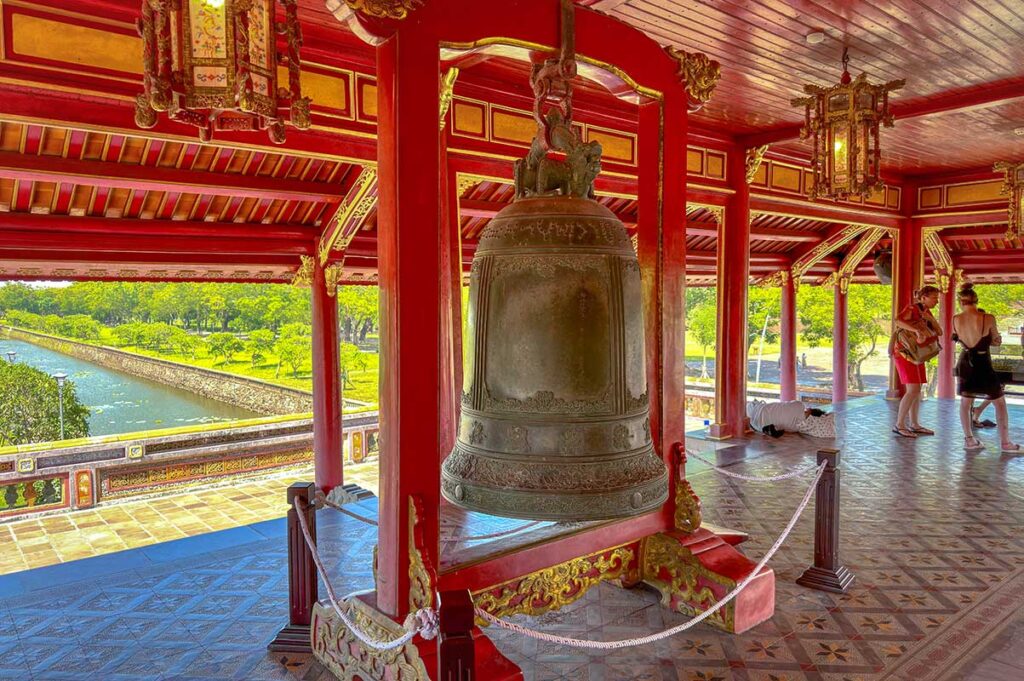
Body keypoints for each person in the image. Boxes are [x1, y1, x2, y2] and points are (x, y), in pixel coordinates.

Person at [952, 283, 1019, 452]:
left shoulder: (956, 319)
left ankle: (969, 440)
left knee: (965, 402)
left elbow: (957, 338)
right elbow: (996, 341)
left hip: (965, 361)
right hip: (982, 361)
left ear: (961, 302)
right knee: (1000, 402)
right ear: (976, 300)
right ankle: (1005, 443)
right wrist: (994, 340)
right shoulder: (987, 318)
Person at [890, 286, 942, 438]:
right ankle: (899, 424)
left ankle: (914, 424)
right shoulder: (912, 308)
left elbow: (939, 332)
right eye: (934, 298)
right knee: (912, 389)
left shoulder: (926, 312)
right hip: (905, 353)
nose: (936, 301)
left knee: (917, 390)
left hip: (917, 354)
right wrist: (916, 330)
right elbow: (898, 320)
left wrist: (931, 319)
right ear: (923, 297)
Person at [747, 399, 835, 438]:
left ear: (809, 410)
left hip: (754, 409)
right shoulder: (796, 428)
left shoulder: (798, 405)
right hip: (756, 426)